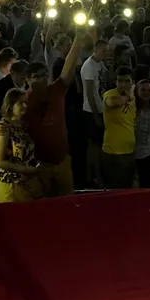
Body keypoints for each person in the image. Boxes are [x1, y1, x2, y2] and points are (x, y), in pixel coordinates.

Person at [24, 30, 83, 197]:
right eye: (36, 77)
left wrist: (78, 38)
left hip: (62, 161)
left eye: (44, 75)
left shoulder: (56, 91)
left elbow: (68, 68)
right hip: (38, 166)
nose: (41, 80)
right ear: (27, 80)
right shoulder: (21, 103)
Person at [0, 88, 42, 203]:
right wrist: (27, 170)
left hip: (27, 185)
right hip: (10, 186)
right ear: (10, 106)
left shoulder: (24, 126)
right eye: (20, 103)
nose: (25, 105)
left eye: (26, 102)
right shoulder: (3, 127)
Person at [101, 66, 138, 189]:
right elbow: (111, 102)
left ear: (132, 82)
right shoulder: (110, 94)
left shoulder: (133, 99)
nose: (122, 84)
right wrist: (129, 97)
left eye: (127, 81)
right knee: (112, 190)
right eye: (119, 81)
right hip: (112, 152)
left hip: (129, 152)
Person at [81, 40, 109, 186]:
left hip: (100, 108)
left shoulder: (100, 63)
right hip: (91, 110)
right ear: (96, 49)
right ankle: (94, 176)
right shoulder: (89, 66)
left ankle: (94, 174)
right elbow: (89, 93)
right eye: (104, 50)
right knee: (94, 145)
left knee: (97, 143)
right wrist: (96, 115)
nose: (106, 53)